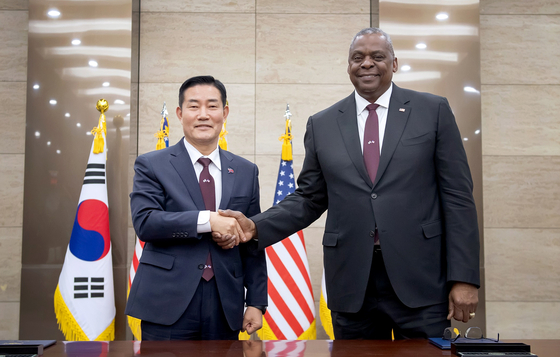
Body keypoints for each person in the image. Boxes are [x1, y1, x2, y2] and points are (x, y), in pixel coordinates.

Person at [217, 28, 480, 339]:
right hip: (353, 285)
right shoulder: (323, 123)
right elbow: (309, 198)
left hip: (421, 281)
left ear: (394, 64)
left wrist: (464, 278)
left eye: (377, 57)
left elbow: (458, 197)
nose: (366, 63)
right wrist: (256, 227)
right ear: (348, 66)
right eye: (358, 58)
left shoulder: (432, 111)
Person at [126, 75, 267, 340]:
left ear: (224, 112)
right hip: (167, 300)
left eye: (212, 106)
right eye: (194, 106)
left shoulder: (246, 171)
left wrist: (257, 302)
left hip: (226, 301)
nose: (203, 115)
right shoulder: (152, 164)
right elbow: (145, 222)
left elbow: (253, 241)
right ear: (180, 113)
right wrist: (209, 221)